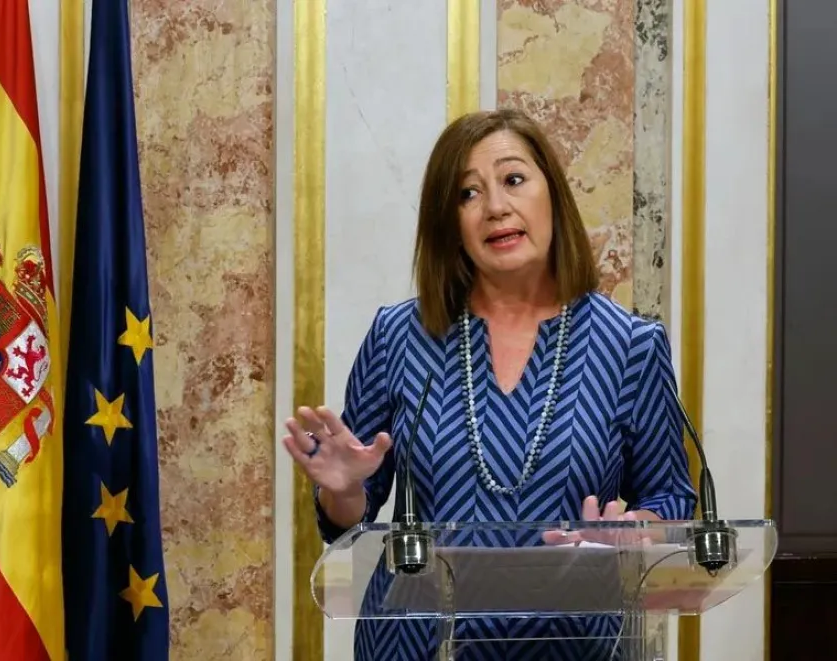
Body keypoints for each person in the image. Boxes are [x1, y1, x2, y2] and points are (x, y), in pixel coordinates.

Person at [282, 108, 697, 660]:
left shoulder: (630, 345)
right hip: (416, 644)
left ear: (552, 194)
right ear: (448, 222)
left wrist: (636, 529)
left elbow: (672, 498)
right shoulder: (397, 337)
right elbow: (346, 523)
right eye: (467, 194)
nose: (496, 207)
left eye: (513, 180)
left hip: (575, 645)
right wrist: (343, 489)